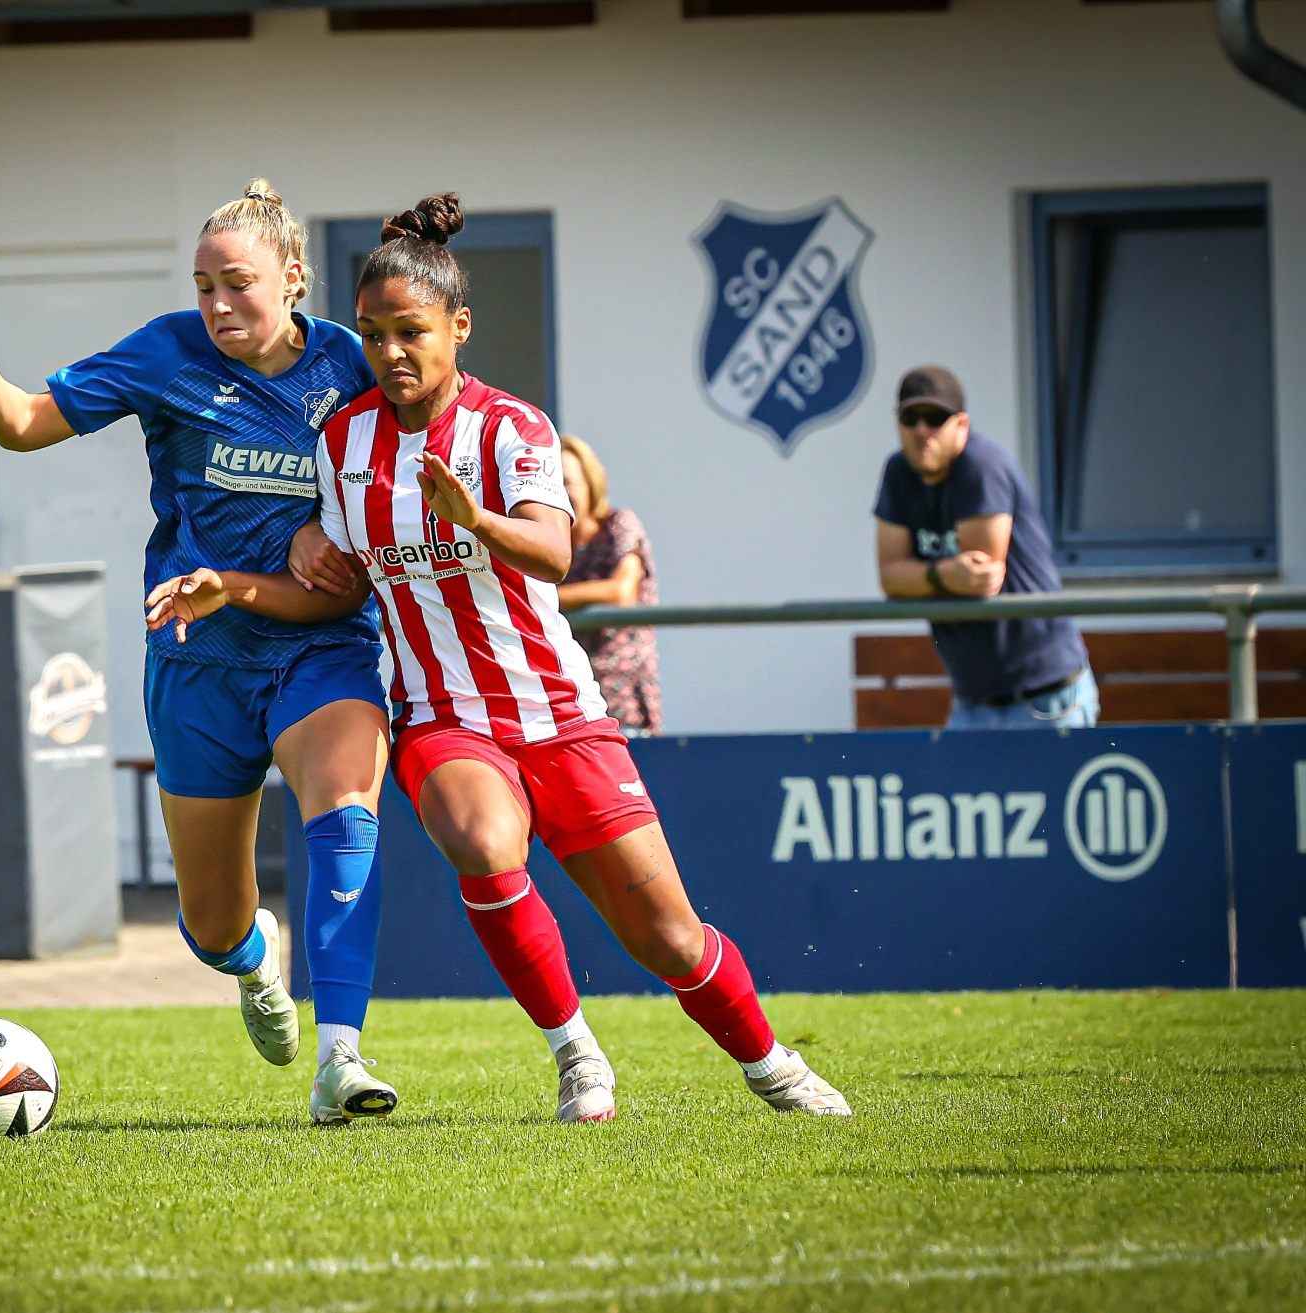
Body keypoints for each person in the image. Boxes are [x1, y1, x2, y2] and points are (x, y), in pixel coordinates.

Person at [147, 193, 849, 1121]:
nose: (391, 353)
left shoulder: (513, 428)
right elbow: (342, 591)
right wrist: (231, 586)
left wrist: (474, 518)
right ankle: (577, 1056)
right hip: (443, 720)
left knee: (670, 937)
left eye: (411, 332)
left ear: (459, 327)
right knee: (481, 842)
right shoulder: (343, 443)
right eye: (372, 336)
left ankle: (771, 1064)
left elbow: (554, 553)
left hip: (561, 716)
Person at [0, 181, 400, 1126]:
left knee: (344, 810)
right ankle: (255, 959)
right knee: (211, 924)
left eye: (238, 284)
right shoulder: (168, 350)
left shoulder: (351, 361)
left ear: (293, 278)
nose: (218, 305)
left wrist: (330, 529)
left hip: (319, 642)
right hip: (196, 660)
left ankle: (341, 1058)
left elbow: (404, 471)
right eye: (204, 286)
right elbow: (25, 424)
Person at [874, 366, 1097, 729]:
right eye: (911, 418)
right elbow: (890, 578)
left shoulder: (981, 464)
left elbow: (980, 581)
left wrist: (920, 577)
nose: (922, 430)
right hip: (972, 701)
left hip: (1046, 694)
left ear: (962, 424)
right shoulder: (898, 472)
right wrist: (941, 574)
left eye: (935, 418)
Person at [555, 434, 662, 736]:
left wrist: (550, 597)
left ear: (590, 483)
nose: (558, 493)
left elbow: (621, 592)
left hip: (624, 704)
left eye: (566, 481)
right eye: (549, 484)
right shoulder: (548, 547)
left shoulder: (619, 524)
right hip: (566, 706)